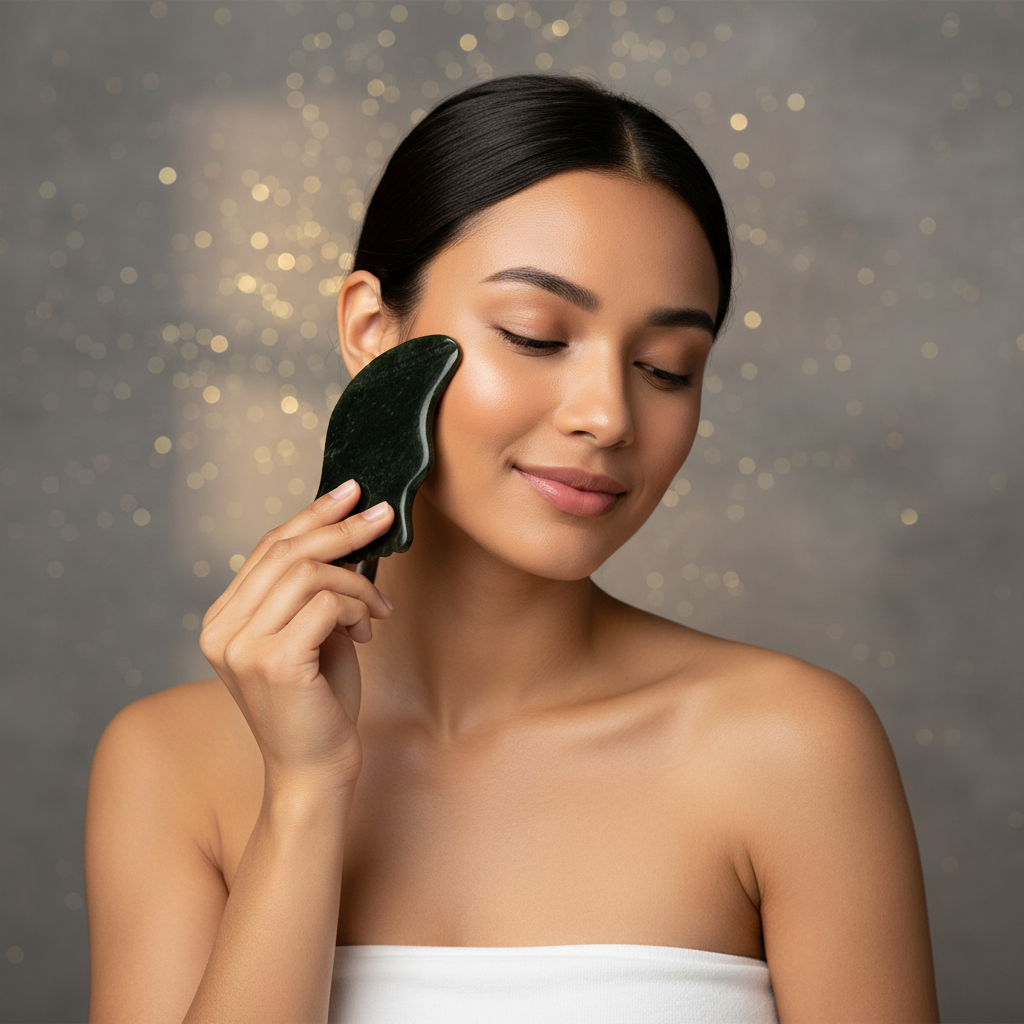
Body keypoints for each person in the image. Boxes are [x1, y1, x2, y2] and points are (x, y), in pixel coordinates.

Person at [85, 73, 939, 1023]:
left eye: (668, 368)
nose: (609, 416)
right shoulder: (167, 765)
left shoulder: (792, 747)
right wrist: (304, 798)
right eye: (536, 336)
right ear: (374, 331)